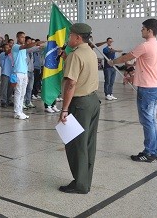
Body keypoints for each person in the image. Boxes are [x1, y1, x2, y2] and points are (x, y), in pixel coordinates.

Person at [109, 18, 157, 163]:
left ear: (149, 31)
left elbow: (128, 57)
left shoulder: (146, 45)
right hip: (155, 87)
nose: (141, 30)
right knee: (152, 121)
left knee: (147, 122)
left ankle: (149, 152)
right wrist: (133, 79)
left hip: (147, 90)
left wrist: (112, 61)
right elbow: (147, 70)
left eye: (143, 28)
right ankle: (154, 151)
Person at [58, 23, 100, 194]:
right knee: (88, 144)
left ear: (77, 37)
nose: (68, 38)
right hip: (92, 102)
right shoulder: (89, 51)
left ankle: (80, 184)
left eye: (70, 35)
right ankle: (84, 180)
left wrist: (64, 109)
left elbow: (71, 83)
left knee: (76, 145)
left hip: (79, 104)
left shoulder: (76, 55)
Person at [11, 32, 44, 120]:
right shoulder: (15, 47)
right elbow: (26, 46)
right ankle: (16, 112)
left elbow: (30, 49)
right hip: (18, 72)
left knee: (23, 93)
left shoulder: (24, 49)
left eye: (24, 37)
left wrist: (39, 46)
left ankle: (20, 111)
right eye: (21, 37)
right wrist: (36, 43)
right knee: (18, 93)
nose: (23, 39)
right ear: (17, 37)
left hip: (24, 72)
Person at [0, 43, 13, 108]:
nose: (8, 48)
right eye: (6, 47)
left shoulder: (11, 55)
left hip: (12, 73)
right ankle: (3, 101)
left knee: (11, 88)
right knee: (4, 88)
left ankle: (9, 100)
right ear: (3, 49)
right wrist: (13, 49)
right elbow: (7, 52)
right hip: (5, 73)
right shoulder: (2, 54)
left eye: (9, 47)